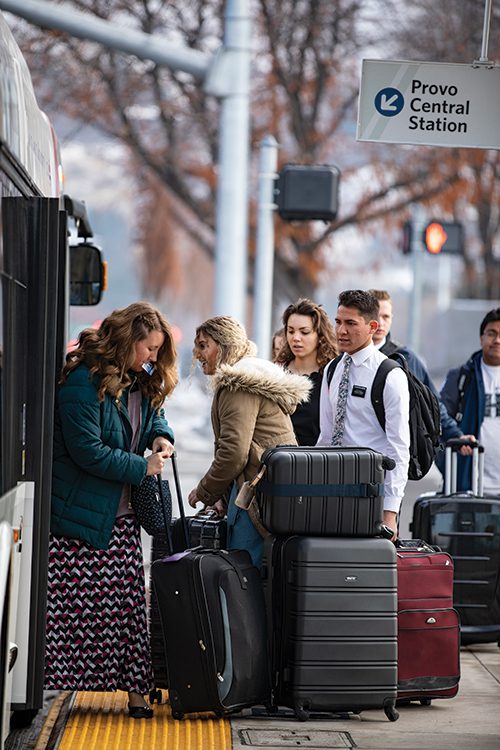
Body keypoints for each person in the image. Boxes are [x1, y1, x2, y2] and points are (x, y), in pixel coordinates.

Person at [44, 302, 178, 719]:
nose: (153, 358)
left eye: (158, 350)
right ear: (126, 341)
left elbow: (154, 417)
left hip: (119, 519)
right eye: (149, 348)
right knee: (71, 616)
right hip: (79, 519)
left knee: (127, 613)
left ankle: (137, 694)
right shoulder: (83, 383)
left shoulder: (140, 380)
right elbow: (87, 451)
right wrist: (142, 466)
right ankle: (49, 685)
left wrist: (160, 437)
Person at [187, 316, 311, 566]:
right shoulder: (251, 378)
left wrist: (204, 492)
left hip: (254, 493)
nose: (197, 354)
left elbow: (233, 453)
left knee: (244, 570)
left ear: (222, 347)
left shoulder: (238, 385)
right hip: (270, 489)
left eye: (203, 345)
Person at [317, 290, 410, 539]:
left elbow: (399, 448)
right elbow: (325, 437)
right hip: (331, 489)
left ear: (372, 327)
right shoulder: (332, 369)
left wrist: (390, 511)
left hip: (371, 494)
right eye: (338, 322)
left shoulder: (390, 375)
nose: (341, 331)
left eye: (350, 323)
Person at [368, 289, 474, 449]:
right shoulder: (345, 358)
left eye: (386, 316)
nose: (381, 323)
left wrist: (455, 435)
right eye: (376, 316)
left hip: (392, 452)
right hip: (354, 450)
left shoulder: (406, 358)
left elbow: (432, 403)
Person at [439, 307, 500, 492]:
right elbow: (438, 418)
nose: (497, 340)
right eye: (492, 333)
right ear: (481, 338)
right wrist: (456, 439)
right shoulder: (461, 377)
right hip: (468, 486)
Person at [279, 298, 337, 445]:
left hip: (319, 461)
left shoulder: (332, 376)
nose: (296, 338)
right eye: (290, 331)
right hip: (280, 461)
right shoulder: (276, 373)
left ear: (320, 336)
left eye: (304, 332)